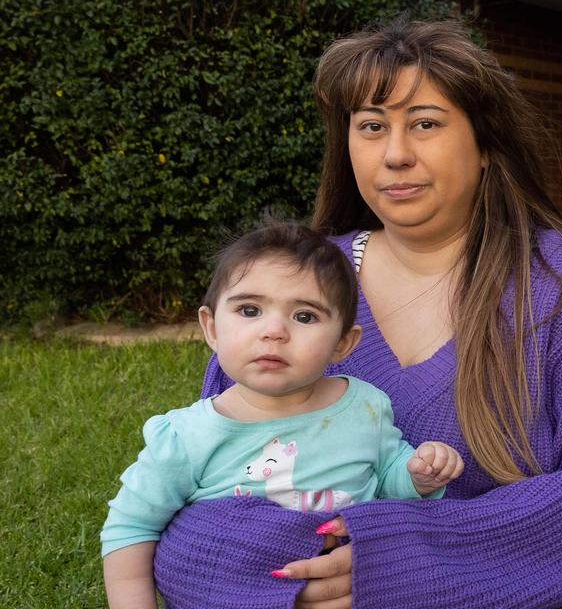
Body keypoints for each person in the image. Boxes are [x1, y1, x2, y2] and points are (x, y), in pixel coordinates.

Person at [147, 19, 562, 609]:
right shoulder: (294, 285)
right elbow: (199, 504)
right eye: (371, 126)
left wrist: (398, 564)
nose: (395, 154)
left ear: (487, 145)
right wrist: (296, 574)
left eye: (425, 123)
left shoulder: (560, 283)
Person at [101, 220, 465, 609]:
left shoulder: (365, 407)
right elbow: (131, 528)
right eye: (250, 309)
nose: (274, 330)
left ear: (344, 342)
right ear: (211, 328)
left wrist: (417, 474)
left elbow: (387, 479)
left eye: (305, 316)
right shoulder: (187, 436)